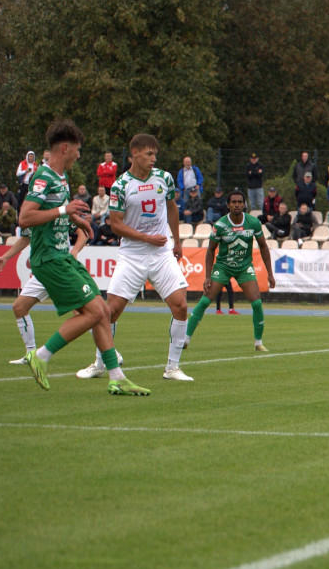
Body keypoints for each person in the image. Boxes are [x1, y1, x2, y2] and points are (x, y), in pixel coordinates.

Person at [16, 119, 148, 395]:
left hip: (62, 256)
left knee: (102, 312)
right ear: (65, 148)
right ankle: (40, 356)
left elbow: (53, 212)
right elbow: (25, 217)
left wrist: (75, 219)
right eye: (77, 149)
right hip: (50, 259)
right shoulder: (44, 176)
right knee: (97, 312)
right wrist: (65, 211)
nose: (79, 154)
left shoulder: (61, 177)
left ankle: (117, 377)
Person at [73, 133, 192, 382]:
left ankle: (172, 368)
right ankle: (99, 363)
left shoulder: (165, 178)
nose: (153, 158)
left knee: (181, 306)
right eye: (149, 153)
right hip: (132, 255)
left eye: (155, 154)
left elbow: (171, 206)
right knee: (109, 311)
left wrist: (177, 240)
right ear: (135, 153)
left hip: (161, 253)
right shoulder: (120, 185)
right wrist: (148, 238)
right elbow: (116, 225)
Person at [0, 228, 120, 367]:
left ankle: (112, 353)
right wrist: (5, 257)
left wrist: (74, 251)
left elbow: (83, 232)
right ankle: (31, 354)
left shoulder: (54, 211)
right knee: (19, 307)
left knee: (88, 312)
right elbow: (25, 238)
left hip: (60, 268)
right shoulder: (31, 216)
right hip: (43, 270)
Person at [184, 190, 275, 354]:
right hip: (223, 267)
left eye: (240, 202)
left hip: (244, 267)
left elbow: (263, 246)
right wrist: (207, 276)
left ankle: (258, 343)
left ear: (244, 204)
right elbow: (211, 250)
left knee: (257, 303)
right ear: (228, 205)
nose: (237, 205)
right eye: (234, 202)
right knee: (205, 301)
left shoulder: (253, 222)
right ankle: (185, 338)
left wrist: (269, 273)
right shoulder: (220, 225)